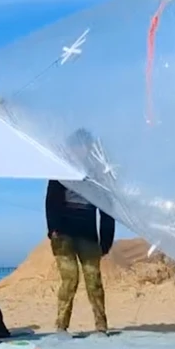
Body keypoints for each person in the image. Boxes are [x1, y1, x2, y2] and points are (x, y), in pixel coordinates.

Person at [46, 129, 116, 333]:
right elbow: (50, 200)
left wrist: (106, 239)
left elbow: (106, 206)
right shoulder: (61, 169)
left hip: (87, 230)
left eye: (84, 146)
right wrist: (53, 229)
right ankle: (61, 326)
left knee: (93, 279)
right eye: (76, 146)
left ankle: (101, 326)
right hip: (63, 231)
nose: (80, 150)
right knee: (70, 278)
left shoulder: (97, 173)